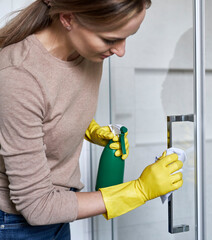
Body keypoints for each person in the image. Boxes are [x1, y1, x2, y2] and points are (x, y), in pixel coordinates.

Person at [0, 0, 184, 239]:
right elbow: (38, 207)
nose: (121, 51)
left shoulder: (86, 53)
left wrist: (89, 128)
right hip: (17, 224)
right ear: (68, 18)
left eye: (128, 37)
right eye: (110, 39)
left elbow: (51, 104)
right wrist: (139, 190)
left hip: (59, 212)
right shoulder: (18, 77)